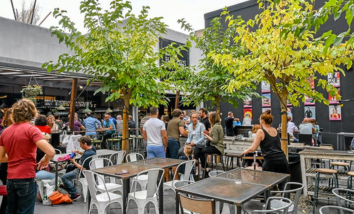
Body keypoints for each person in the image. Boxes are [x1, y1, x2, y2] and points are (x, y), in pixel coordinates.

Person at [0, 99, 55, 214]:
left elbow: (1, 157)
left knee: (11, 210)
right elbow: (50, 152)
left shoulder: (5, 132)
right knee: (25, 211)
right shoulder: (31, 129)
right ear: (32, 113)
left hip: (10, 179)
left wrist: (16, 157)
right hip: (26, 177)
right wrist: (45, 159)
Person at [242, 110, 290, 176]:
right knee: (283, 184)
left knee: (268, 184)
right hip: (282, 160)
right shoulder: (274, 130)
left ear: (262, 121)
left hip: (271, 162)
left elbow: (253, 148)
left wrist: (246, 151)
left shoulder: (260, 131)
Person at [60, 135, 96, 200]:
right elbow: (86, 154)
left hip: (83, 172)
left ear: (85, 144)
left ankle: (74, 193)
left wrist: (73, 161)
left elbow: (82, 168)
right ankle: (68, 184)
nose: (80, 146)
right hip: (90, 169)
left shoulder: (86, 154)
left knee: (63, 177)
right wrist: (79, 152)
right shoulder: (92, 148)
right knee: (69, 167)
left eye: (80, 144)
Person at [201, 112, 224, 177]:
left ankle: (206, 168)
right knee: (201, 150)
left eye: (209, 117)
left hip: (217, 148)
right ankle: (206, 168)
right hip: (220, 147)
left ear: (212, 118)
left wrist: (206, 135)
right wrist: (208, 133)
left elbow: (215, 140)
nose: (208, 118)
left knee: (201, 151)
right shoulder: (219, 125)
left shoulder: (215, 127)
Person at [0, 108, 13, 213]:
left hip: (6, 166)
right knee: (9, 194)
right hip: (8, 166)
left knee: (8, 194)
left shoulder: (3, 131)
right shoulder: (6, 132)